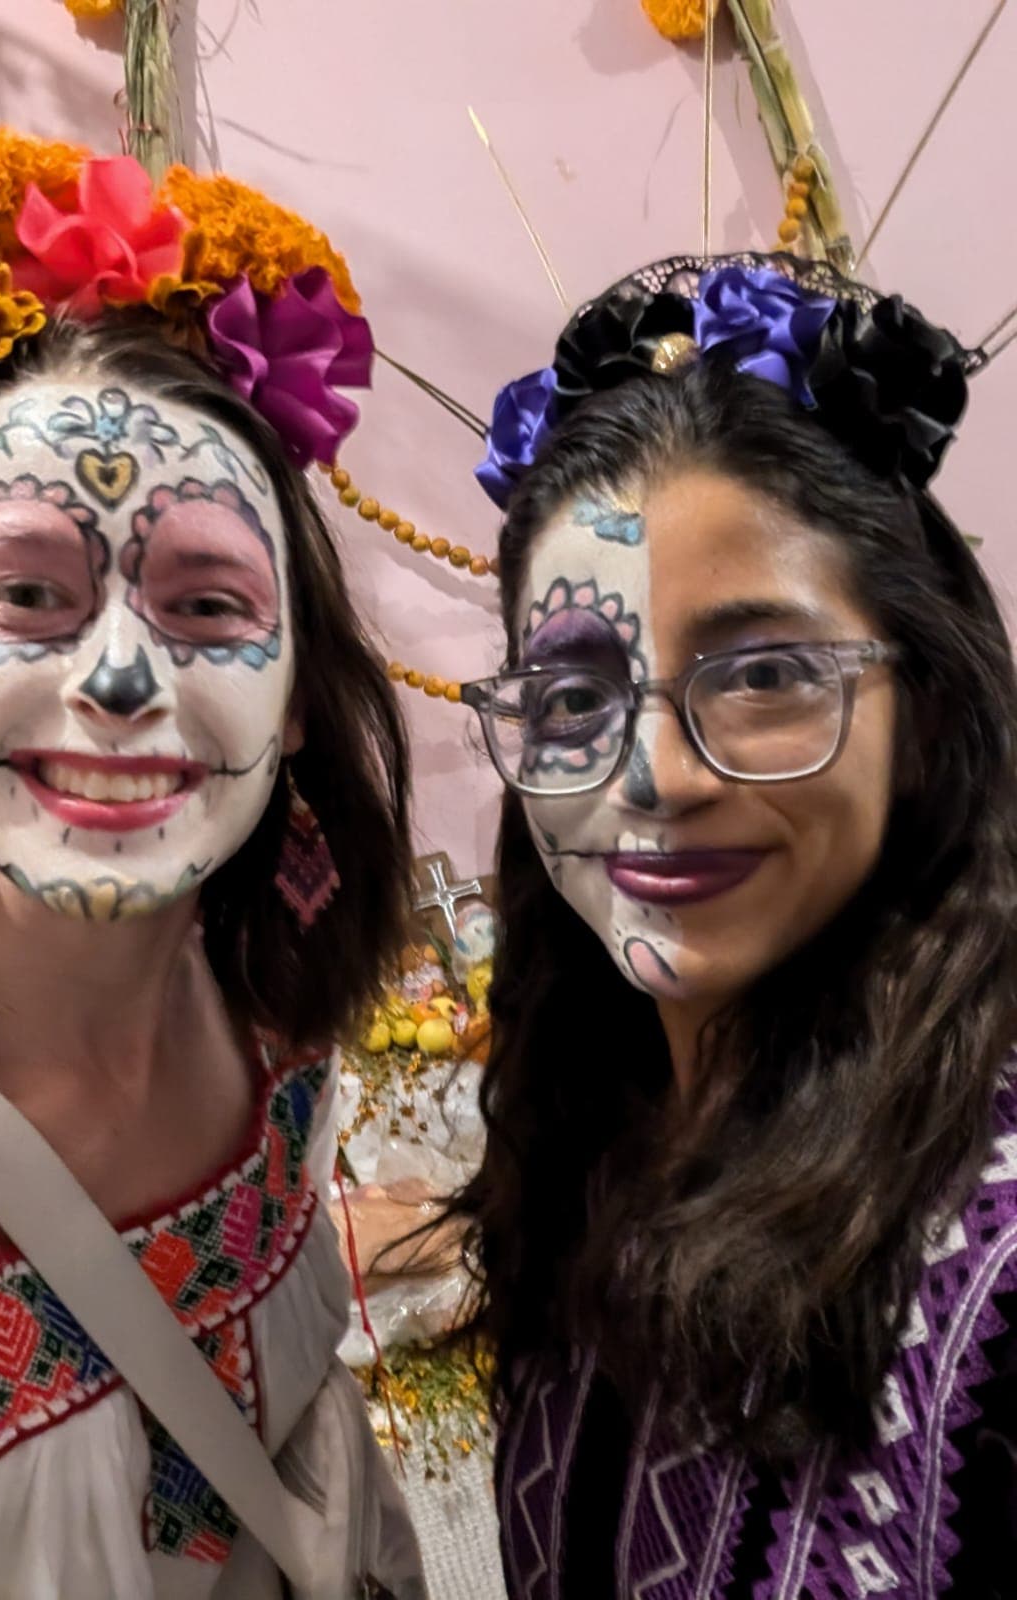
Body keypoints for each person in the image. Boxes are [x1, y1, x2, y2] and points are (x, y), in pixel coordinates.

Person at [0, 129, 423, 1597]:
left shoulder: (282, 1027)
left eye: (207, 604)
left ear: (291, 708)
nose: (123, 677)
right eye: (28, 593)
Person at [458, 254, 1017, 1597]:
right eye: (576, 693)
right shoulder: (592, 1146)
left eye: (763, 673)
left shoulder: (996, 1268)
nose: (653, 774)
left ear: (923, 709)